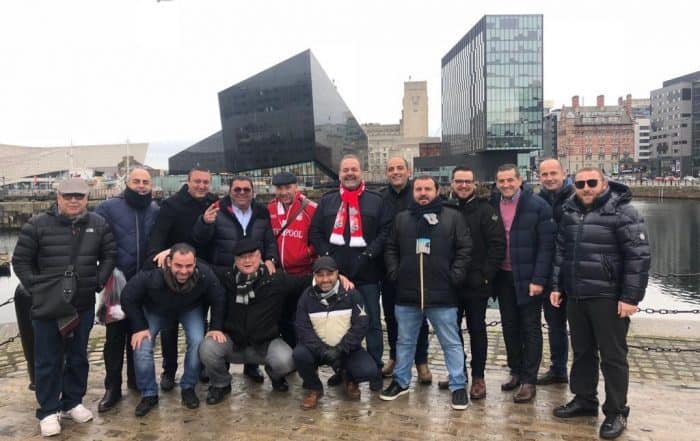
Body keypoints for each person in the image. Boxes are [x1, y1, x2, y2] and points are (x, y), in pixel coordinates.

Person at [550, 168, 650, 440]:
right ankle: (585, 399)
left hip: (608, 297)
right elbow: (561, 252)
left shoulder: (624, 213)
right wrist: (557, 286)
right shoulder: (570, 212)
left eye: (591, 182)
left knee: (613, 357)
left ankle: (616, 411)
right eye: (580, 183)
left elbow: (638, 257)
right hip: (576, 295)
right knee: (582, 352)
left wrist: (630, 297)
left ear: (604, 184)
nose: (586, 187)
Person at [13, 178, 116, 437]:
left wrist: (98, 281)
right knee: (47, 358)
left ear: (87, 198)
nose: (73, 200)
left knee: (78, 355)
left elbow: (109, 255)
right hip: (48, 304)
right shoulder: (36, 225)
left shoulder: (99, 224)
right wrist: (36, 288)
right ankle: (48, 409)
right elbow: (20, 261)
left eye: (79, 196)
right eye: (68, 196)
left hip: (82, 303)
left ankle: (72, 401)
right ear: (58, 197)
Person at [380, 176, 472, 410]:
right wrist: (395, 273)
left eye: (427, 189)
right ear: (413, 192)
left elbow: (464, 248)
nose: (423, 193)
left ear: (437, 191)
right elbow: (390, 247)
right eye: (419, 189)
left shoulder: (452, 217)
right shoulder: (402, 219)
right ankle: (401, 381)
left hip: (442, 292)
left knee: (450, 342)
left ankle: (458, 385)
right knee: (404, 342)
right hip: (407, 292)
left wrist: (454, 276)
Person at [199, 238, 325, 404]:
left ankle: (275, 375)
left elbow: (305, 282)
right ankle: (221, 383)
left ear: (260, 257)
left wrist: (337, 278)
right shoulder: (226, 277)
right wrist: (170, 253)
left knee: (286, 361)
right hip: (234, 342)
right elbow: (201, 266)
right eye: (242, 257)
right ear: (235, 260)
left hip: (265, 343)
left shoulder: (276, 279)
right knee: (207, 348)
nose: (247, 261)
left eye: (251, 256)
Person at [309, 154, 393, 390]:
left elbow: (386, 231)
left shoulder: (376, 200)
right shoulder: (328, 201)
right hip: (334, 276)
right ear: (339, 174)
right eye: (345, 170)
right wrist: (328, 258)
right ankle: (343, 369)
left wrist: (368, 254)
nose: (350, 174)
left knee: (372, 321)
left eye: (354, 169)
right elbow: (315, 232)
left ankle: (375, 368)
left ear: (361, 172)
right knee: (339, 324)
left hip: (367, 273)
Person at [120, 243, 225, 417]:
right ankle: (148, 393)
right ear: (169, 262)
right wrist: (139, 326)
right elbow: (127, 296)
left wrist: (215, 327)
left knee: (197, 341)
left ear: (195, 262)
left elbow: (218, 296)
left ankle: (188, 387)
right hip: (156, 309)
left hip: (189, 308)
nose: (184, 271)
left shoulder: (205, 273)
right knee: (142, 344)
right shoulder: (152, 273)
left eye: (189, 266)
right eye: (178, 265)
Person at [193, 175, 279, 382]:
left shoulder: (261, 212)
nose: (242, 193)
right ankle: (219, 370)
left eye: (246, 189)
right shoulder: (217, 210)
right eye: (237, 189)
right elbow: (199, 240)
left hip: (254, 274)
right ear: (229, 191)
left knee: (251, 318)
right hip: (223, 274)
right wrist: (204, 223)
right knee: (223, 317)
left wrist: (271, 258)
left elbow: (269, 239)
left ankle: (251, 367)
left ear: (252, 192)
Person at [146, 167, 219, 392]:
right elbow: (159, 235)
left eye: (205, 182)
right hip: (176, 271)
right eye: (197, 181)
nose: (201, 186)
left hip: (203, 271)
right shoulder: (171, 205)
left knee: (200, 323)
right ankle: (169, 370)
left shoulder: (213, 202)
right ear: (188, 181)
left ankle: (200, 366)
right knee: (169, 326)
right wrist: (160, 254)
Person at [94, 167, 159, 412]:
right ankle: (112, 387)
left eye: (145, 182)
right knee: (114, 338)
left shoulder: (155, 210)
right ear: (127, 183)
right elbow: (95, 241)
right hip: (117, 282)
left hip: (145, 282)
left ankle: (136, 379)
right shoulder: (108, 208)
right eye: (136, 181)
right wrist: (103, 271)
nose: (141, 186)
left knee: (139, 332)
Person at [489, 164, 556, 403]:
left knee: (530, 328)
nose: (506, 185)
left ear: (519, 181)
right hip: (503, 276)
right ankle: (515, 371)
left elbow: (547, 247)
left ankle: (529, 380)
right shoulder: (493, 205)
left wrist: (539, 279)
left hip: (528, 277)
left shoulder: (538, 206)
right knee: (509, 327)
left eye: (510, 180)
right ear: (497, 183)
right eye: (501, 181)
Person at [442, 166, 506, 399]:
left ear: (474, 184)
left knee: (477, 330)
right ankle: (458, 371)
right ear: (452, 183)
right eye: (459, 181)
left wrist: (486, 275)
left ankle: (478, 376)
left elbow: (497, 246)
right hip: (449, 282)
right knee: (452, 331)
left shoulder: (486, 211)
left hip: (476, 282)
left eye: (467, 182)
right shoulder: (444, 209)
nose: (463, 186)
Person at [293, 256, 379, 410]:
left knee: (368, 370)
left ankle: (349, 378)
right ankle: (315, 388)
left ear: (337, 274)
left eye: (329, 274)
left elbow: (361, 325)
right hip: (318, 350)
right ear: (314, 276)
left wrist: (340, 349)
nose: (325, 279)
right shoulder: (306, 297)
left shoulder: (351, 294)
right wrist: (322, 350)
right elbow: (302, 328)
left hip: (345, 349)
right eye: (320, 275)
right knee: (299, 355)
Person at [379, 157, 432, 384]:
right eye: (391, 169)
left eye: (400, 168)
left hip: (418, 264)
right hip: (389, 266)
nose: (396, 172)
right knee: (391, 316)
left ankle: (421, 361)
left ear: (408, 171)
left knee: (419, 316)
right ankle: (395, 356)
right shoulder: (381, 198)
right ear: (387, 173)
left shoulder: (419, 193)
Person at [267, 171, 318, 347]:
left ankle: (304, 354)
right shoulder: (270, 209)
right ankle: (288, 355)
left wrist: (305, 253)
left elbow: (319, 237)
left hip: (303, 274)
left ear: (296, 187)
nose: (283, 192)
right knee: (282, 318)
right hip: (279, 275)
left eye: (287, 187)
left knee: (301, 319)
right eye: (279, 188)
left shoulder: (311, 209)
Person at [535, 158, 574, 385]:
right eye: (545, 174)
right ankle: (558, 369)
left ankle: (582, 377)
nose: (549, 178)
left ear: (563, 173)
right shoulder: (537, 201)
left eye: (553, 173)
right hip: (549, 274)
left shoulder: (577, 198)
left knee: (580, 329)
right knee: (555, 325)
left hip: (575, 274)